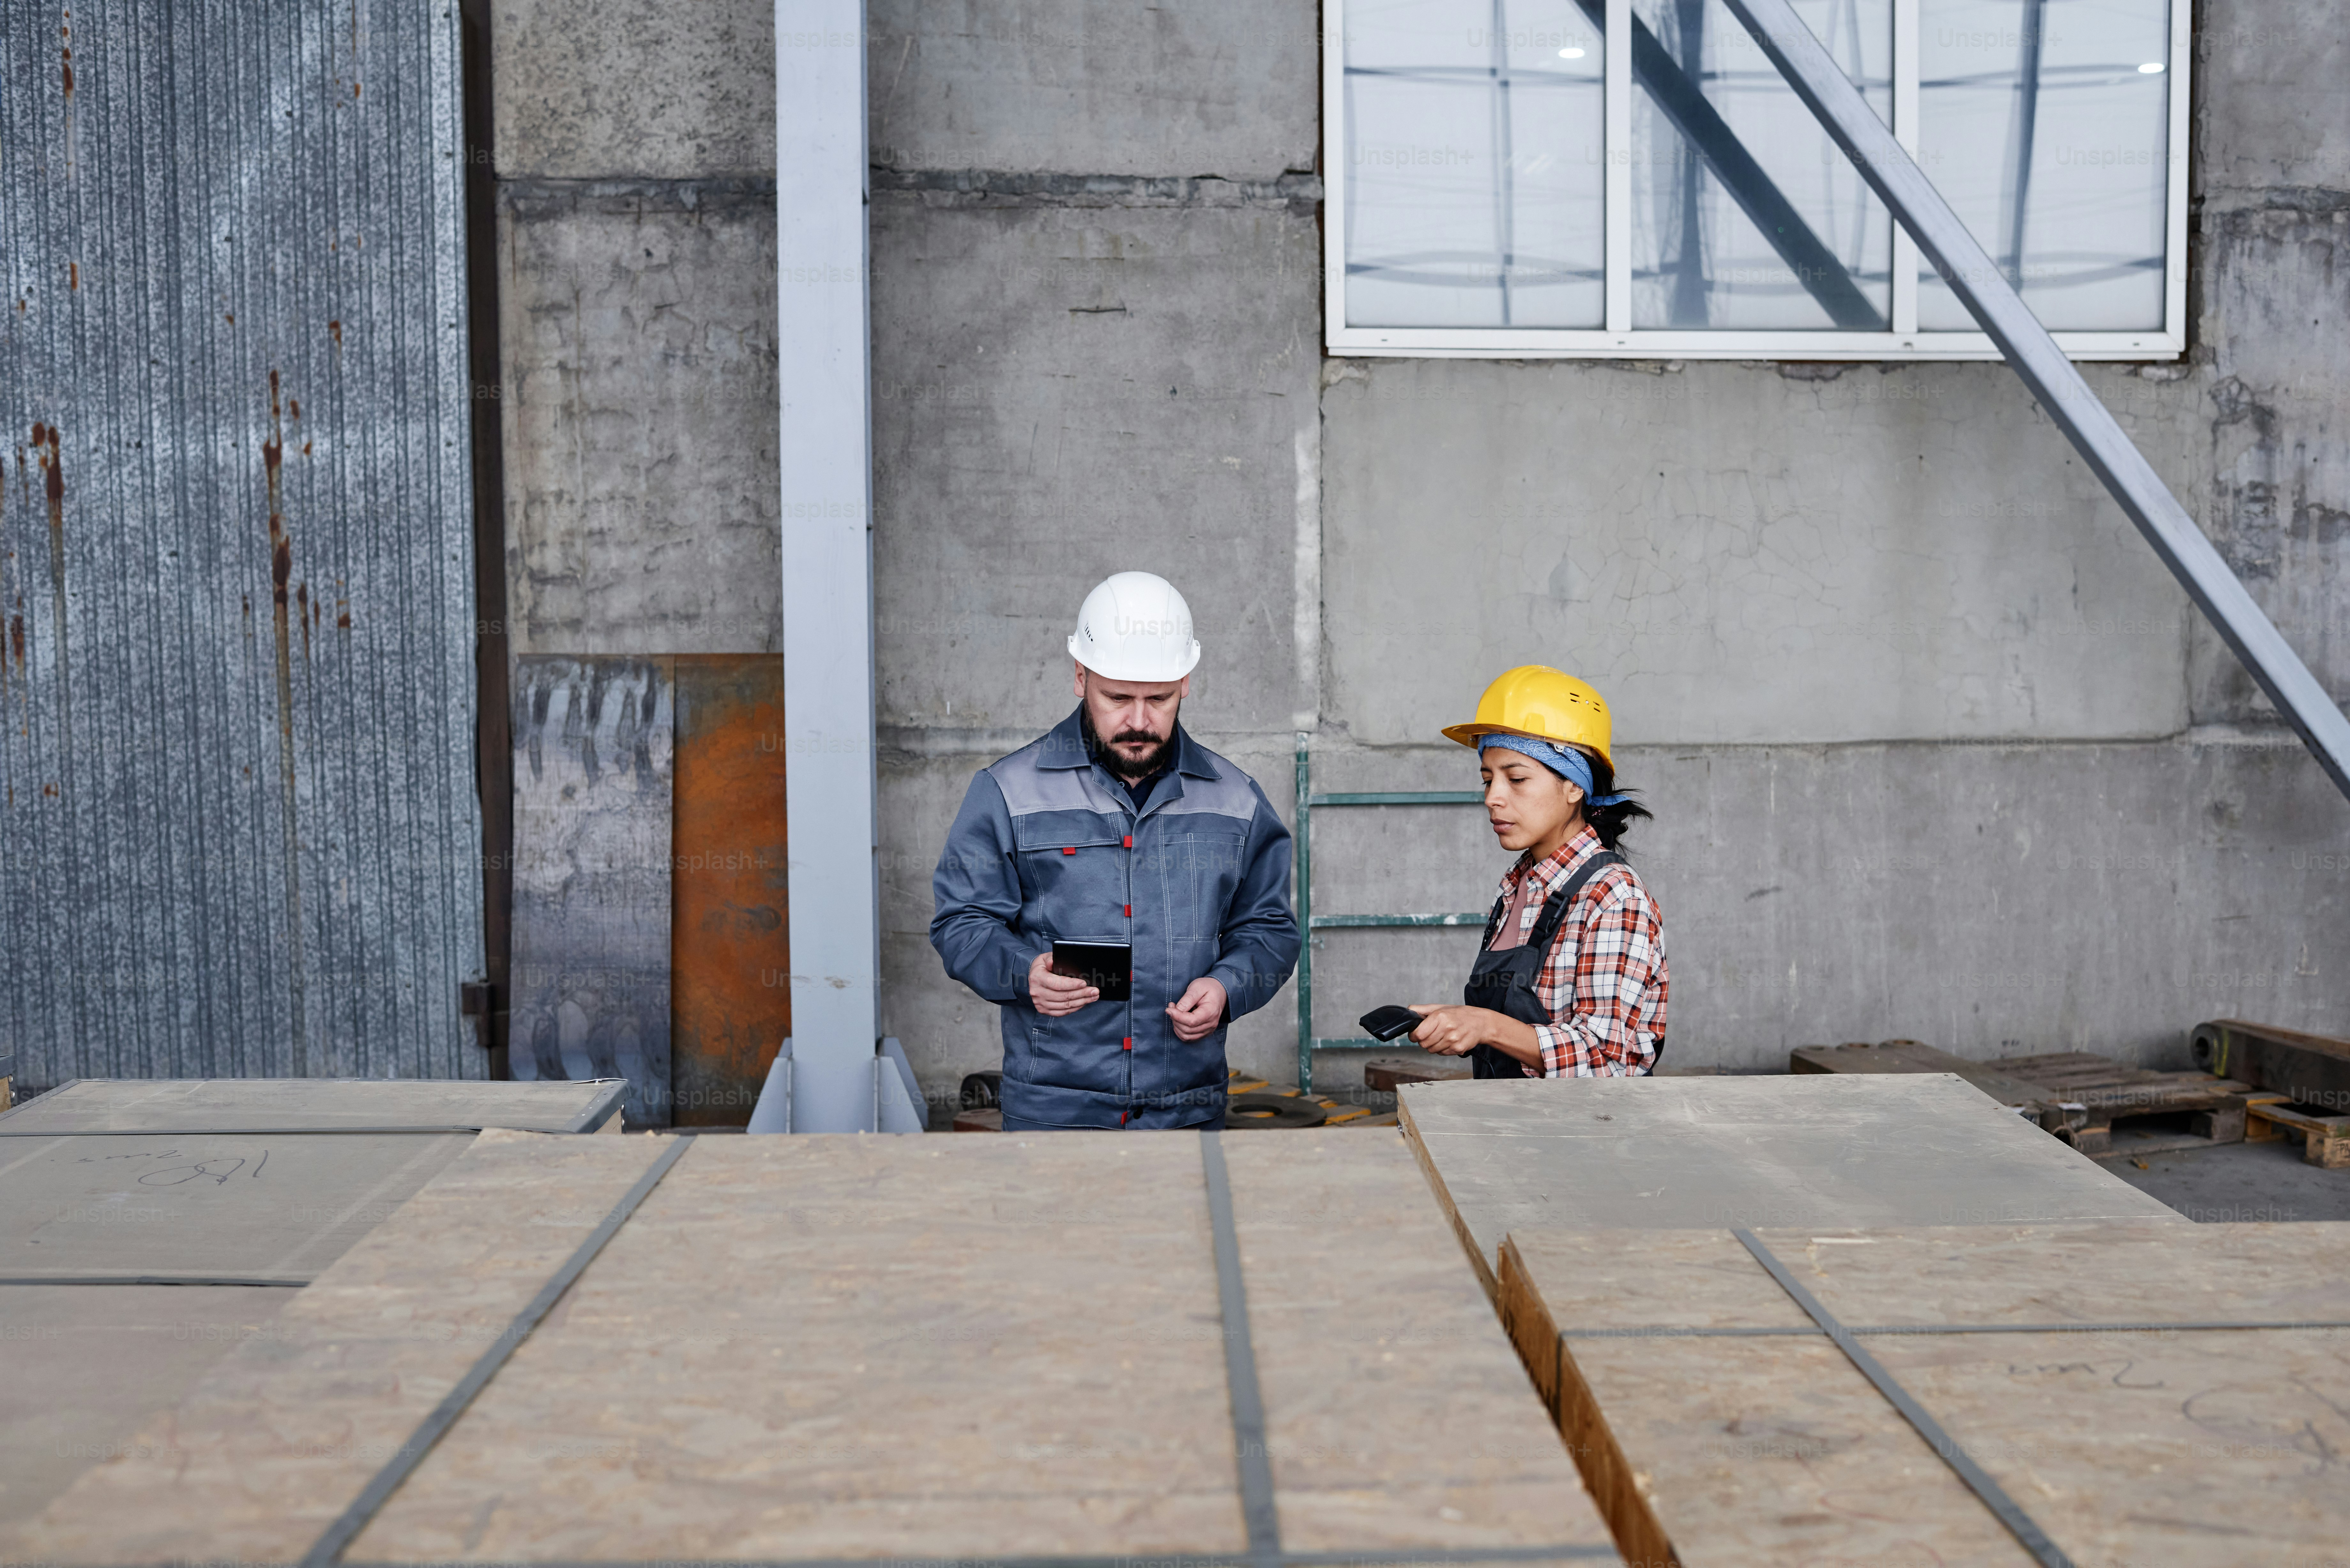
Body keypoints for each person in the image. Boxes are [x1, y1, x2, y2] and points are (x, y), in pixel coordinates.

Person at [930, 571, 1301, 1129]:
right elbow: (962, 921)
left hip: (1186, 1111)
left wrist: (1228, 986)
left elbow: (1270, 929)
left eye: (1159, 699)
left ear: (1187, 683)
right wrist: (1022, 971)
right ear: (1080, 677)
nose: (1138, 720)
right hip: (1056, 1113)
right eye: (1118, 697)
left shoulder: (1236, 800)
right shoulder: (1008, 791)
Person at [1405, 666, 1668, 1077]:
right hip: (1513, 1131)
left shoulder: (1612, 897)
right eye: (1487, 780)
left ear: (1574, 786)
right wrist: (1462, 1021)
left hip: (1582, 1136)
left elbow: (1610, 1063)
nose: (1493, 798)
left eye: (1517, 779)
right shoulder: (1519, 886)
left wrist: (1488, 1026)